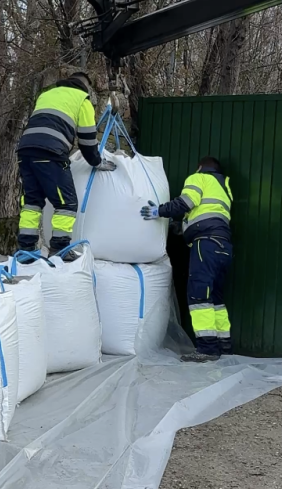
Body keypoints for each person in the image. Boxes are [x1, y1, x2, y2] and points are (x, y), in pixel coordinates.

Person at [140, 156, 233, 362]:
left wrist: (159, 211)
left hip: (205, 244)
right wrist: (180, 227)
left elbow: (186, 203)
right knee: (215, 299)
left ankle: (207, 349)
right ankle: (223, 346)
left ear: (200, 168)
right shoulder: (223, 189)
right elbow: (204, 216)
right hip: (223, 246)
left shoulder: (198, 178)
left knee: (199, 296)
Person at [15, 71, 117, 260]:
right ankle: (60, 249)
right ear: (86, 87)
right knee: (66, 203)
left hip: (25, 151)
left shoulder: (46, 95)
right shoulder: (82, 100)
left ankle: (25, 250)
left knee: (32, 202)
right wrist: (96, 162)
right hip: (50, 153)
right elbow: (87, 140)